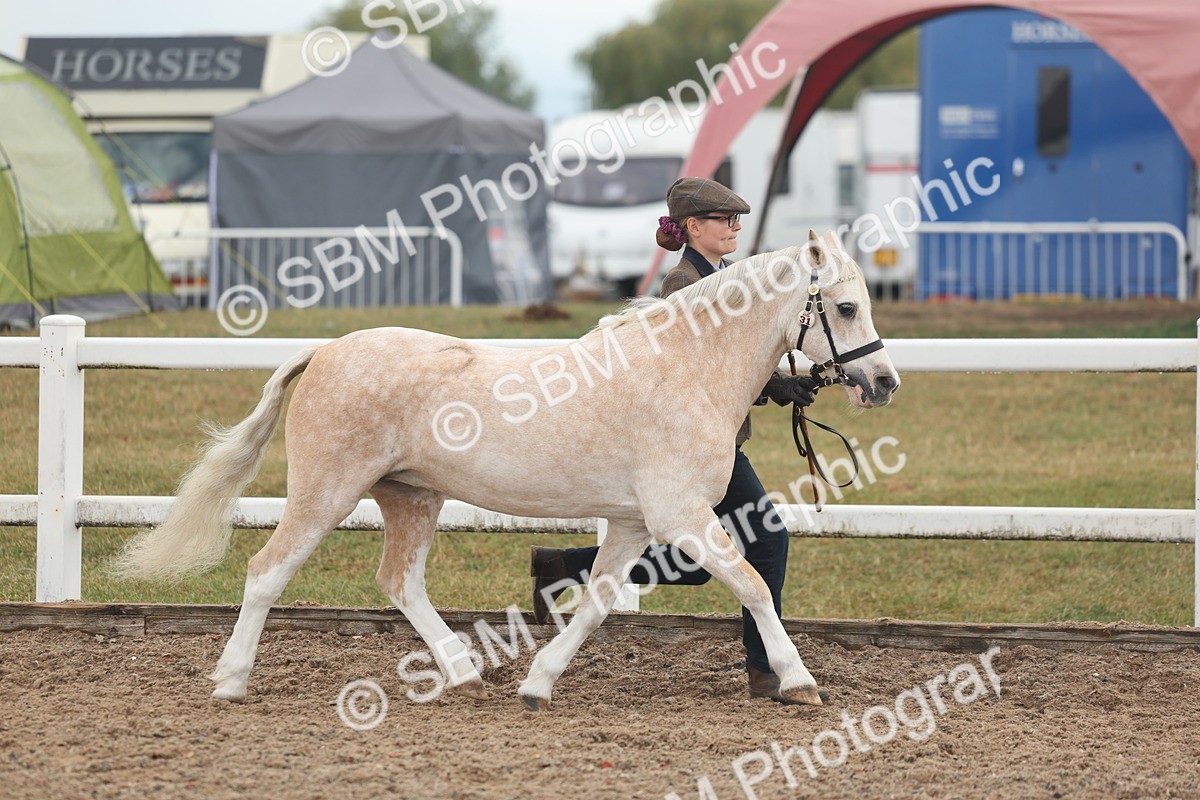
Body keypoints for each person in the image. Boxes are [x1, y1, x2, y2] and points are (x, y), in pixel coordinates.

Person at [530, 177, 821, 704]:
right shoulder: (683, 285)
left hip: (714, 444)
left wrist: (781, 383)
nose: (735, 228)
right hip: (686, 449)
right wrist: (774, 388)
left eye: (737, 220)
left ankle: (563, 566)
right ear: (693, 227)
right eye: (725, 220)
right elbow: (690, 374)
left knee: (705, 560)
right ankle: (766, 669)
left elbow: (734, 361)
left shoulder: (727, 276)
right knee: (758, 542)